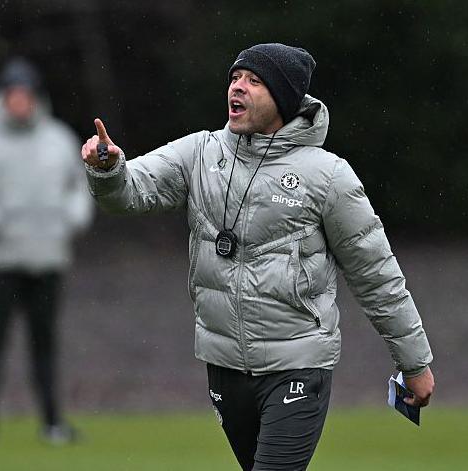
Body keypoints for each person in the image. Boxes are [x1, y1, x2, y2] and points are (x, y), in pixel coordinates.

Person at [81, 43, 434, 470]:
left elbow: (377, 276)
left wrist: (413, 362)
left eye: (254, 81)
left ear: (284, 99)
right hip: (224, 367)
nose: (238, 87)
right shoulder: (200, 153)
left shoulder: (328, 175)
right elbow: (132, 191)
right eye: (235, 78)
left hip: (299, 365)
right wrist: (108, 168)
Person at [0, 57, 93, 444]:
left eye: (26, 94)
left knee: (45, 345)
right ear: (2, 97)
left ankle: (52, 423)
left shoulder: (58, 138)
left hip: (47, 258)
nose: (20, 102)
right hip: (0, 261)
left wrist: (73, 218)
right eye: (14, 95)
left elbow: (77, 187)